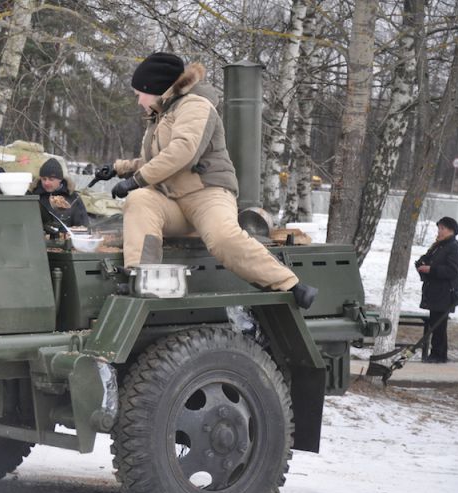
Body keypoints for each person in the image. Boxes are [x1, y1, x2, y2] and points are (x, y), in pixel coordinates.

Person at [106, 52, 317, 308]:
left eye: (140, 93)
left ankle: (289, 284)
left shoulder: (195, 105)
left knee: (223, 238)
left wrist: (136, 180)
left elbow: (183, 151)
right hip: (173, 200)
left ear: (155, 88)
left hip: (207, 194)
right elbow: (155, 161)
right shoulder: (161, 115)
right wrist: (119, 169)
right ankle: (142, 279)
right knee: (140, 200)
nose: (138, 100)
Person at [416, 217, 458, 363]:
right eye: (439, 228)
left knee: (439, 325)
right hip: (435, 292)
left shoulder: (454, 247)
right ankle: (437, 354)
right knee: (435, 323)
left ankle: (439, 355)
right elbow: (426, 259)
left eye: (442, 228)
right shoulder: (439, 246)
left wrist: (431, 269)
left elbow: (453, 270)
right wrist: (421, 264)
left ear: (451, 231)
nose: (439, 231)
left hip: (445, 293)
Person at [31, 158, 90, 230]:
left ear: (60, 180)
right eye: (44, 179)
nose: (46, 183)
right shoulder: (33, 197)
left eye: (51, 179)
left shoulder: (73, 198)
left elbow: (83, 226)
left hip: (65, 236)